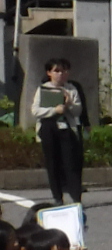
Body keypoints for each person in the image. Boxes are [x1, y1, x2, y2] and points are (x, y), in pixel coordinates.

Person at [30, 56, 86, 205]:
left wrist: (68, 105)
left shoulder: (71, 89)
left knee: (70, 163)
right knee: (52, 162)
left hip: (67, 129)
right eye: (57, 71)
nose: (61, 74)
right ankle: (57, 198)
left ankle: (76, 198)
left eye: (64, 71)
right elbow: (35, 110)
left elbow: (78, 111)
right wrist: (55, 110)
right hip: (48, 128)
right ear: (49, 72)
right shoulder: (43, 89)